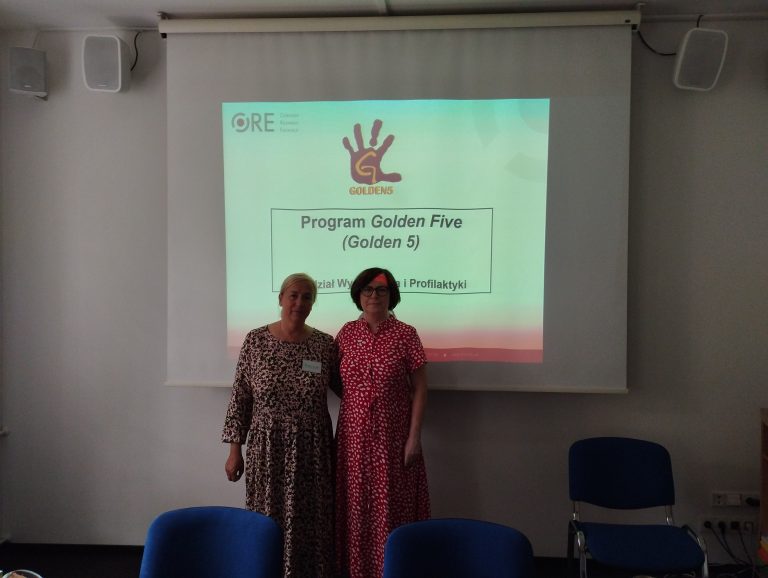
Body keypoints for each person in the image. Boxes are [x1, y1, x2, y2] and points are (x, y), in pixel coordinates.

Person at [222, 273, 339, 578]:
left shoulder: (325, 345)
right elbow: (240, 397)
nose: (299, 303)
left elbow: (350, 390)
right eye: (293, 295)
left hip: (312, 451)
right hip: (267, 449)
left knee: (311, 520)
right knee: (267, 517)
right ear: (281, 299)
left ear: (313, 303)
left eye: (307, 297)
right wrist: (235, 451)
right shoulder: (255, 340)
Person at [334, 267, 430, 578]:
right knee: (356, 508)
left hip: (394, 439)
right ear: (358, 295)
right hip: (353, 440)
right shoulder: (346, 334)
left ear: (392, 295)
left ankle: (392, 570)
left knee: (391, 508)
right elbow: (335, 380)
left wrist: (414, 437)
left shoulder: (406, 334)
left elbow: (420, 389)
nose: (374, 295)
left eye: (381, 290)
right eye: (367, 289)